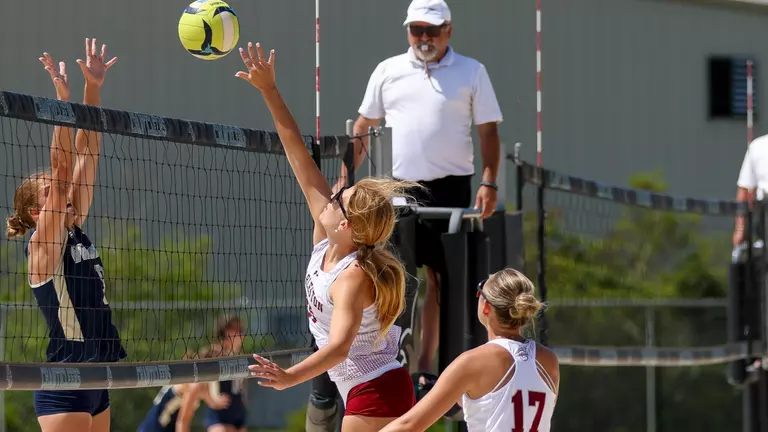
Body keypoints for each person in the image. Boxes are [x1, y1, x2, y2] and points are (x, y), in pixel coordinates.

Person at [235, 42, 419, 431]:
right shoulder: (327, 236)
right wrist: (270, 91)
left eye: (340, 199)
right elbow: (298, 156)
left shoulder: (352, 276)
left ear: (347, 226)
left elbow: (338, 348)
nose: (332, 197)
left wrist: (290, 378)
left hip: (376, 390)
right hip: (366, 388)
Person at [335, 0, 504, 397]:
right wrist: (345, 178)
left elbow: (488, 132)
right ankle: (391, 361)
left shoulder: (471, 71)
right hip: (398, 190)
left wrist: (490, 180)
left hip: (451, 188)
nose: (424, 38)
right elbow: (363, 126)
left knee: (442, 280)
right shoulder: (388, 70)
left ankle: (429, 366)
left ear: (448, 30)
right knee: (393, 276)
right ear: (407, 30)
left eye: (431, 30)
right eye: (416, 30)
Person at [5, 39, 122, 432]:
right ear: (38, 213)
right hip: (65, 380)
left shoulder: (74, 228)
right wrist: (61, 103)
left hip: (98, 372)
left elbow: (87, 154)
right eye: (54, 196)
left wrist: (93, 88)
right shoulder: (42, 244)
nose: (66, 197)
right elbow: (61, 166)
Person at [380, 269, 560, 432]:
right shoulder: (549, 361)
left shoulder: (472, 362)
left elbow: (410, 425)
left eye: (480, 291)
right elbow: (507, 405)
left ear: (486, 307)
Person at [203, 315, 249, 432]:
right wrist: (211, 399)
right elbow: (200, 383)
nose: (241, 334)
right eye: (237, 330)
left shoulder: (241, 355)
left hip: (238, 412)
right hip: (220, 414)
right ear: (226, 331)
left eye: (241, 330)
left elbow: (242, 381)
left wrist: (244, 397)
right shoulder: (215, 353)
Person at [138, 382, 230, 432]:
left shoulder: (190, 386)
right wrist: (213, 400)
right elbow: (182, 422)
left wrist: (211, 400)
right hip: (155, 428)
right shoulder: (190, 385)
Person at [733, 134, 768, 246]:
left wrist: (740, 230)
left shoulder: (757, 146)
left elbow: (744, 190)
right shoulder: (757, 146)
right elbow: (745, 190)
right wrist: (740, 229)